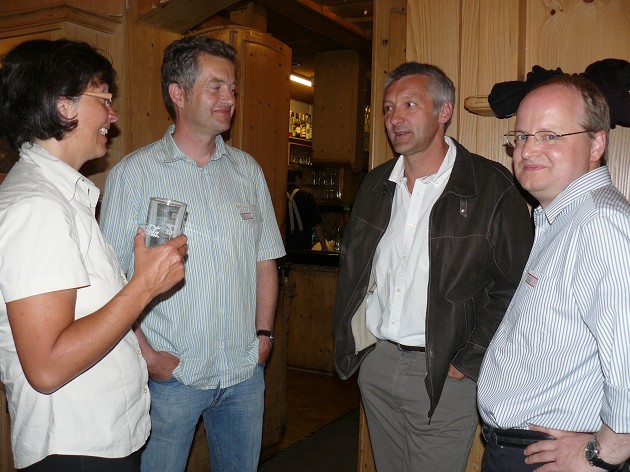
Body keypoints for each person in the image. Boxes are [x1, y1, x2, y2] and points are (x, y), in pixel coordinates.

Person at [332, 61, 534, 471]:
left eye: (409, 104)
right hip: (378, 364)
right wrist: (363, 353)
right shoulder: (375, 185)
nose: (395, 118)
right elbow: (356, 273)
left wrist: (468, 360)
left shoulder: (491, 186)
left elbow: (518, 285)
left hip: (444, 375)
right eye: (388, 108)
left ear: (445, 111)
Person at [0, 39, 187, 471]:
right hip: (75, 448)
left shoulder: (59, 197)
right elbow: (47, 366)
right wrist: (144, 286)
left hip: (92, 441)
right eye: (103, 99)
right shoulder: (38, 207)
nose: (112, 115)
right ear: (63, 105)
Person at [100, 36, 285, 472]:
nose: (229, 98)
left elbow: (265, 260)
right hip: (172, 379)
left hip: (243, 374)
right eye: (215, 87)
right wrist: (148, 357)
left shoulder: (248, 171)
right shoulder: (134, 175)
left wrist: (263, 337)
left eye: (232, 88)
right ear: (178, 94)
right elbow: (108, 279)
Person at [477, 75, 630, 471]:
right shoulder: (559, 218)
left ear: (596, 144)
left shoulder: (600, 224)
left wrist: (602, 454)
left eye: (549, 136)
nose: (528, 149)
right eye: (522, 136)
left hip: (547, 456)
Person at [286, 167, 329, 251]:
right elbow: (317, 226)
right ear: (297, 178)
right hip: (303, 245)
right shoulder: (306, 197)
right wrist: (324, 247)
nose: (302, 182)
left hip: (283, 244)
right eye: (302, 179)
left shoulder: (278, 196)